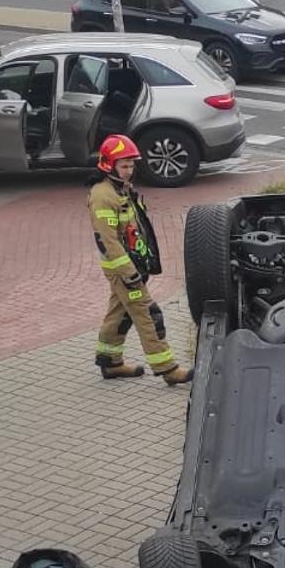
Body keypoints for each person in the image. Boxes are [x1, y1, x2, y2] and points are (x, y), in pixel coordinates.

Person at [88, 134, 193, 385]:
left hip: (132, 266)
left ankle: (110, 362)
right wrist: (129, 272)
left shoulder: (121, 189)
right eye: (123, 166)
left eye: (131, 165)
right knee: (148, 314)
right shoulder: (103, 195)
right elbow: (108, 240)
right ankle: (168, 369)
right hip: (123, 270)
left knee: (119, 312)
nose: (129, 171)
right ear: (108, 165)